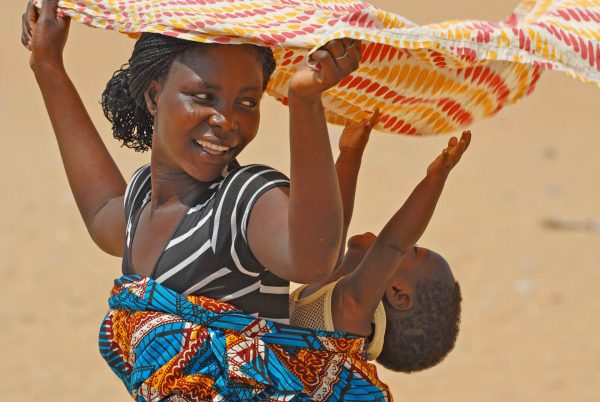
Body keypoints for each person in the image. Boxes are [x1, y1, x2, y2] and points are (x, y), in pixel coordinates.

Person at [23, 1, 394, 400]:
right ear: (153, 96)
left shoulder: (243, 199)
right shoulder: (142, 199)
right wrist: (47, 65)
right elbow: (100, 213)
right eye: (203, 96)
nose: (226, 119)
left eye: (247, 102)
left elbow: (312, 259)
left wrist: (304, 102)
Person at [290, 114, 469, 372]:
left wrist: (436, 178)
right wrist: (351, 152)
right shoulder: (331, 292)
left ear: (396, 292)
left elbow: (392, 244)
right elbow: (331, 224)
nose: (404, 247)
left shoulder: (348, 315)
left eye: (413, 249)